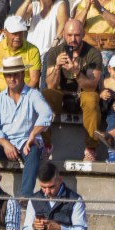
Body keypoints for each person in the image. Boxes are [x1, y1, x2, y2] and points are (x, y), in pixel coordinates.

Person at [0, 57, 53, 197]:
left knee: (34, 151)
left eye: (15, 75)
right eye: (8, 75)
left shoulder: (33, 95)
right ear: (4, 77)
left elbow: (47, 114)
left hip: (26, 141)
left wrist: (33, 135)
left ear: (22, 74)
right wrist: (5, 143)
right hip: (5, 142)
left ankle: (25, 195)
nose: (12, 79)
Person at [42, 19, 102, 161]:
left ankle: (91, 148)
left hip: (83, 94)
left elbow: (91, 86)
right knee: (44, 96)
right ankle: (45, 145)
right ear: (63, 34)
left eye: (77, 35)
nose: (73, 39)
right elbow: (50, 85)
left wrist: (76, 72)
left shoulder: (93, 54)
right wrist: (57, 67)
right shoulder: (55, 52)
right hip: (61, 96)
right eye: (69, 35)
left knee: (92, 98)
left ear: (83, 34)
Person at [0, 16, 42, 142]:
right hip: (0, 93)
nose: (18, 37)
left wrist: (21, 98)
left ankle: (39, 143)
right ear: (5, 32)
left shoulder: (33, 50)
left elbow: (34, 80)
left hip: (26, 93)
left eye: (20, 33)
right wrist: (3, 97)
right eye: (14, 33)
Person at [15, 0, 69, 70]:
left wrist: (55, 43)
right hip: (32, 54)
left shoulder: (59, 5)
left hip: (49, 54)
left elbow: (63, 24)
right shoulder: (34, 6)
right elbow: (17, 20)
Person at [22, 162, 88, 230]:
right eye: (43, 187)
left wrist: (60, 229)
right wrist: (34, 227)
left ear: (60, 180)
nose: (47, 191)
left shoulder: (75, 200)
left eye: (51, 187)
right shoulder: (33, 200)